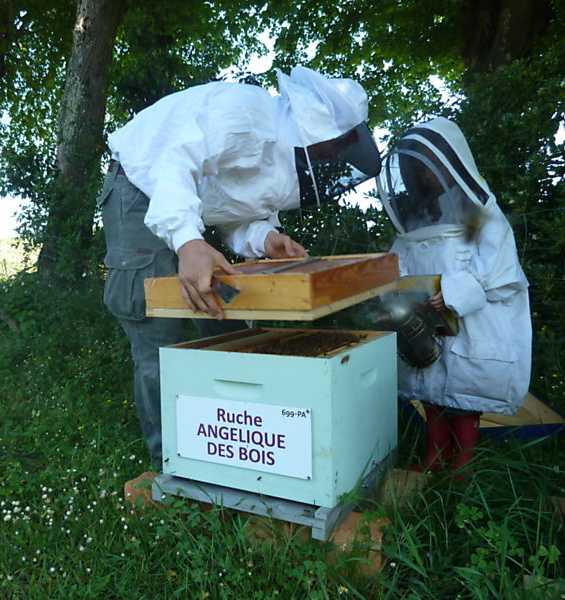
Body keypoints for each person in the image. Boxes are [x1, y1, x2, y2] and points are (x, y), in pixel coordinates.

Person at [99, 66, 382, 469]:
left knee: (225, 315)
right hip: (139, 190)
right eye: (336, 144)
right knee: (157, 326)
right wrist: (189, 243)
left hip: (185, 205)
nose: (336, 155)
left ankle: (228, 438)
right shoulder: (243, 114)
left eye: (343, 146)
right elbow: (172, 167)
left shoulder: (277, 152)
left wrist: (266, 239)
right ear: (313, 127)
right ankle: (174, 463)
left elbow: (225, 207)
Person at [377, 117, 532, 476]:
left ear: (451, 161)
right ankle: (434, 457)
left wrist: (453, 291)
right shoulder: (417, 217)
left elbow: (499, 269)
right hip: (426, 323)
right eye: (417, 169)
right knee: (431, 394)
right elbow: (398, 262)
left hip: (472, 323)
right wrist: (407, 293)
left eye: (429, 167)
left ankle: (463, 466)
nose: (424, 175)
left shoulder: (482, 211)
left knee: (464, 397)